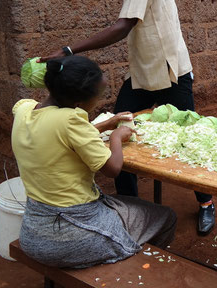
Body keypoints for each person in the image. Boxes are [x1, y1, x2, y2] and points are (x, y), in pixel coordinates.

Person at [40, 0, 215, 235]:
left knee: (189, 141)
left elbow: (122, 28)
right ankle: (131, 208)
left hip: (171, 74)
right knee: (118, 127)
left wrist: (69, 50)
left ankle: (206, 203)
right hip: (143, 77)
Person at [11, 56, 177, 268]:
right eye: (97, 97)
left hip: (34, 229)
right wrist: (116, 137)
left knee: (123, 207)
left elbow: (55, 132)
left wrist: (106, 124)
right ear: (78, 104)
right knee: (166, 217)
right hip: (72, 235)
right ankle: (130, 270)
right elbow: (113, 169)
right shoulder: (71, 120)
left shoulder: (24, 109)